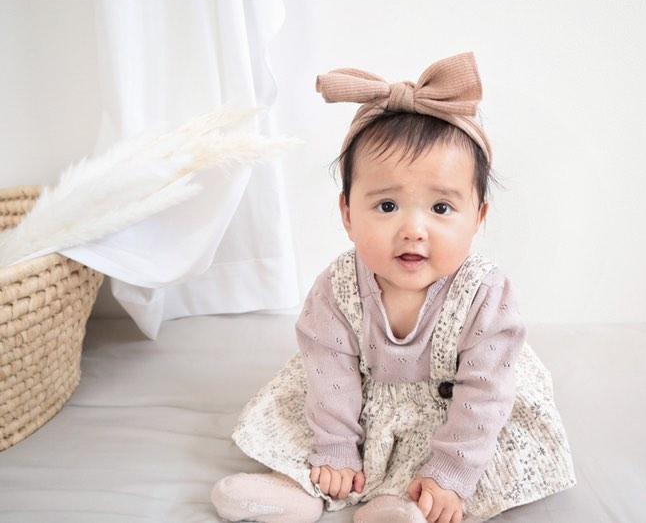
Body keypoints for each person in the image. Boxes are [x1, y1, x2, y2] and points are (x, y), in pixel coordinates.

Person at [210, 52, 576, 523]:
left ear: (478, 218)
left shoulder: (484, 295)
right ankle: (298, 488)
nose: (413, 230)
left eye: (441, 209)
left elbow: (484, 393)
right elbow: (330, 372)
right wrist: (336, 448)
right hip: (351, 403)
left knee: (470, 457)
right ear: (347, 214)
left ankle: (403, 504)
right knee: (309, 419)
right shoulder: (338, 287)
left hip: (456, 411)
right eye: (386, 206)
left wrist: (451, 473)